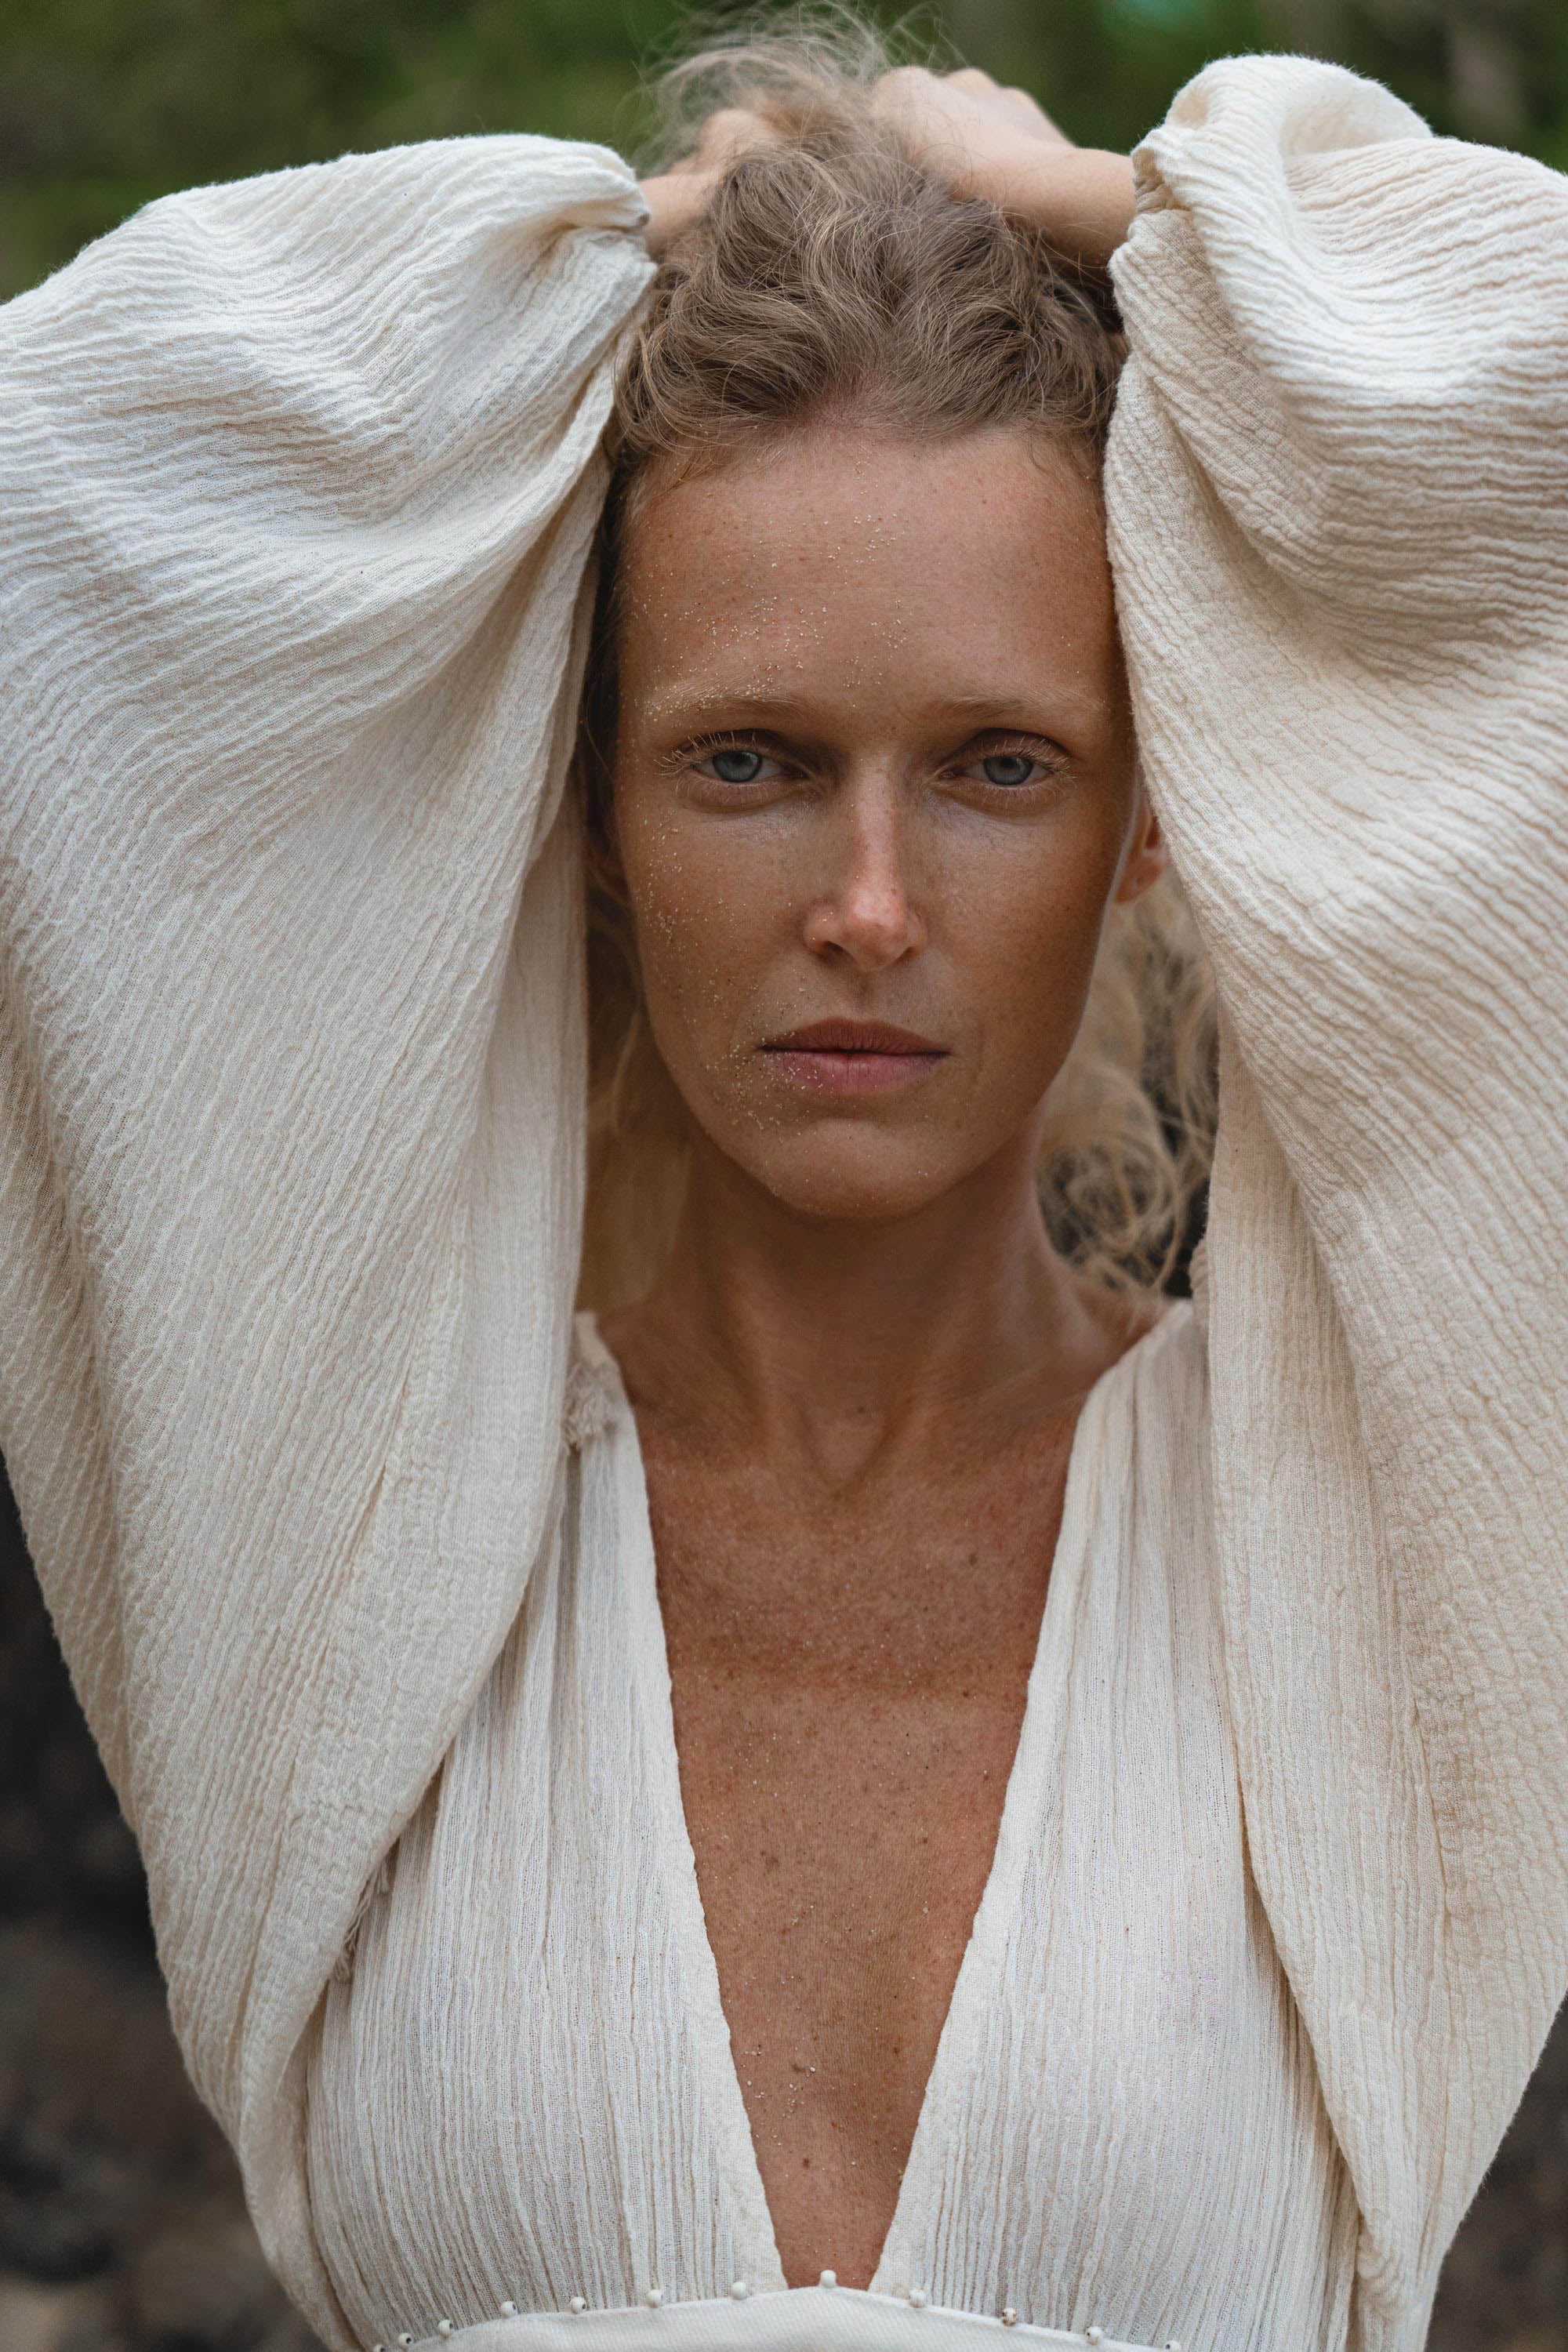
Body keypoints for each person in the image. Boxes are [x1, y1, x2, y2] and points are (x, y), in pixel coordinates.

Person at [1, 20, 1564, 2352]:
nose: (865, 898)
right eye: (747, 756)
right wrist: (602, 277)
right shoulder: (328, 1508)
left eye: (998, 765)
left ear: (1160, 810)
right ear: (587, 814)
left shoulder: (1393, 1534)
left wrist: (1141, 222)